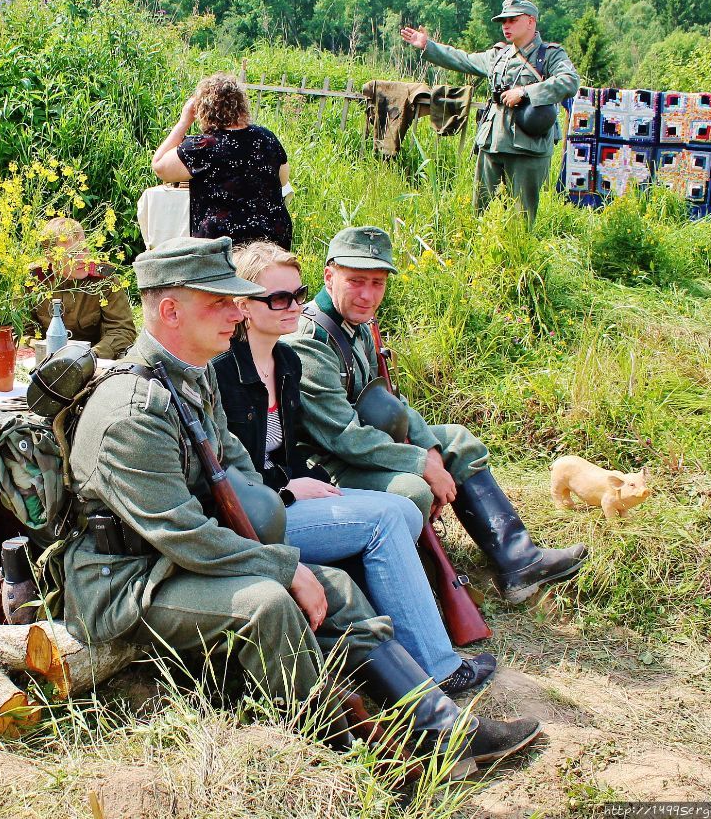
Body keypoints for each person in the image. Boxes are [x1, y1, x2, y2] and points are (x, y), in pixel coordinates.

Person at [63, 234, 540, 769]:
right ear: (170, 310)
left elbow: (238, 465)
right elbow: (181, 532)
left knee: (334, 584)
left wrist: (277, 527)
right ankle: (354, 753)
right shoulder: (135, 409)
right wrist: (283, 567)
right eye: (219, 301)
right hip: (129, 581)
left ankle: (438, 727)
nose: (234, 312)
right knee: (267, 604)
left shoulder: (191, 376)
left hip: (179, 561)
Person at [213, 241, 495, 694]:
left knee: (403, 510)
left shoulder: (284, 360)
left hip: (284, 496)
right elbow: (225, 473)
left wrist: (300, 481)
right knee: (386, 517)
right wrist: (287, 490)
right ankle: (438, 667)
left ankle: (412, 636)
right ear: (242, 304)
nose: (294, 307)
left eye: (298, 295)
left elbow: (287, 453)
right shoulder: (222, 369)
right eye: (278, 298)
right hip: (250, 520)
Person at [286, 227, 586, 604]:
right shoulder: (309, 340)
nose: (367, 295)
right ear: (329, 276)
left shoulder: (359, 325)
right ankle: (419, 587)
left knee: (458, 441)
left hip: (364, 442)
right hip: (326, 461)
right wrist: (421, 465)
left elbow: (387, 399)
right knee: (413, 489)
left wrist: (428, 448)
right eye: (356, 281)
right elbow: (343, 436)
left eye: (377, 283)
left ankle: (518, 560)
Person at [400, 0, 579, 226]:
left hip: (528, 145)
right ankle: (482, 257)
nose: (506, 26)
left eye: (513, 20)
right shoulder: (498, 55)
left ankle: (518, 258)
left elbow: (570, 81)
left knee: (521, 218)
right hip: (493, 141)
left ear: (531, 21)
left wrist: (525, 92)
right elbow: (463, 60)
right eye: (503, 21)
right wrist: (428, 45)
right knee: (481, 212)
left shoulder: (550, 55)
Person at [150, 74, 292, 250]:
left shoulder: (203, 146)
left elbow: (159, 166)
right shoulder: (266, 137)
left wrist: (184, 121)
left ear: (204, 110)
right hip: (274, 241)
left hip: (224, 249)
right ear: (241, 105)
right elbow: (283, 179)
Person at [30, 217, 136, 360]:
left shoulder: (104, 279)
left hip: (93, 361)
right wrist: (41, 351)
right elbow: (21, 332)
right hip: (43, 360)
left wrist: (89, 356)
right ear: (51, 257)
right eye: (73, 254)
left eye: (84, 249)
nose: (82, 258)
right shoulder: (33, 281)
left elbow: (122, 330)